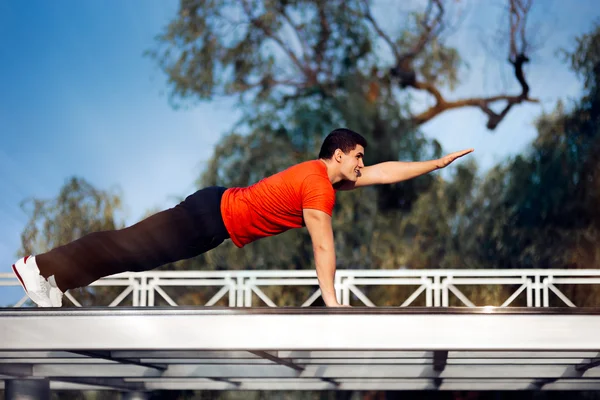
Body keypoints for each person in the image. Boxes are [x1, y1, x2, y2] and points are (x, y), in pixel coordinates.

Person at [11, 128, 473, 308]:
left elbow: (383, 173)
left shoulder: (328, 177)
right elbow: (323, 244)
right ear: (338, 153)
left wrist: (433, 165)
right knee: (127, 244)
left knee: (134, 258)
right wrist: (332, 305)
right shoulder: (317, 185)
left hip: (213, 222)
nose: (361, 165)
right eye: (357, 157)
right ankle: (38, 266)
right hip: (208, 215)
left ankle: (59, 280)